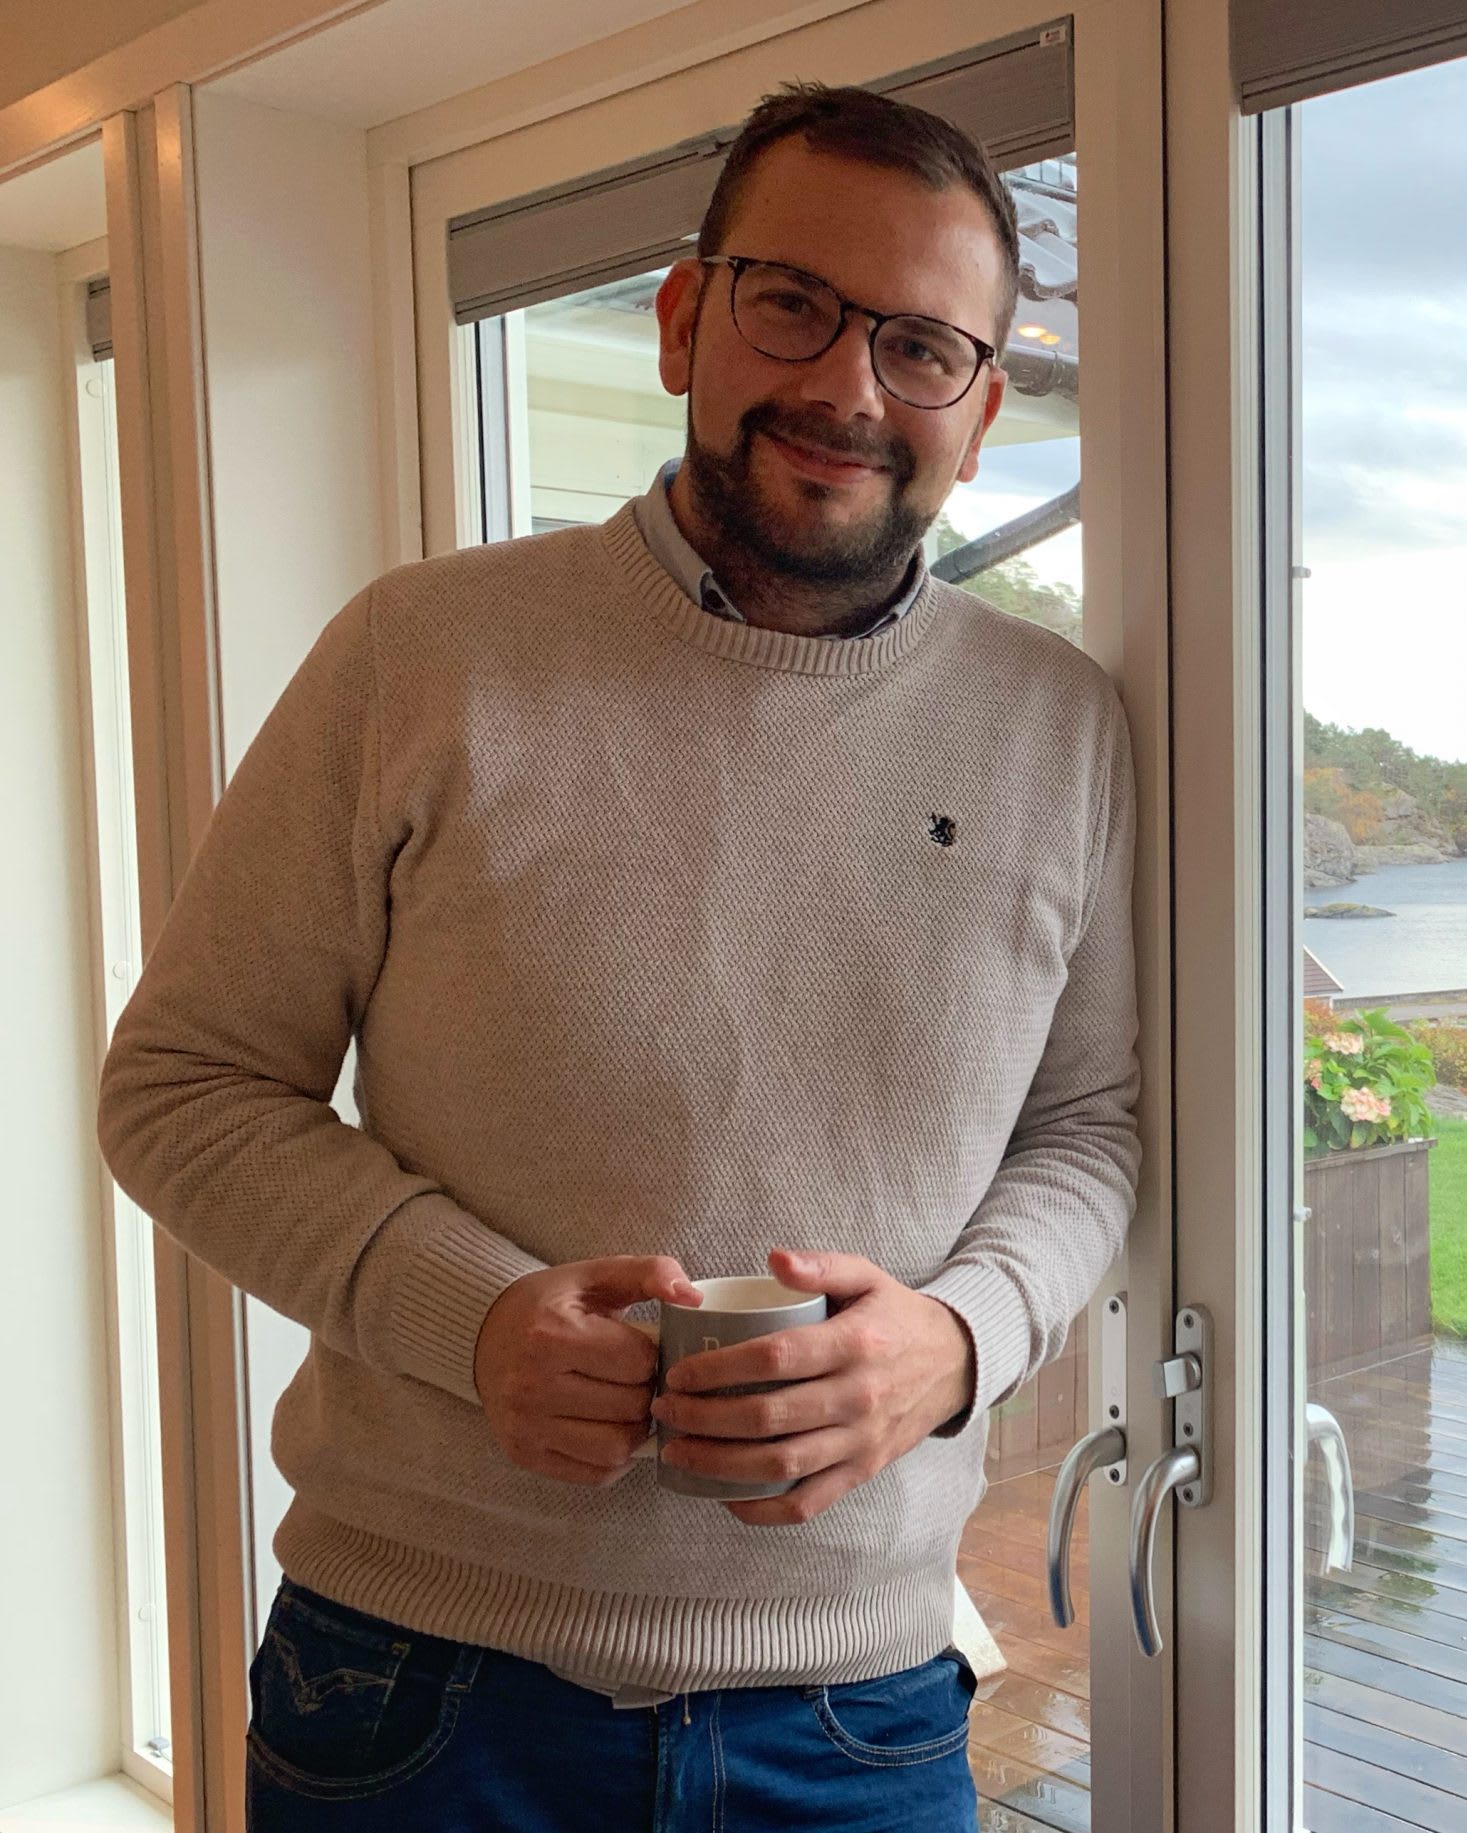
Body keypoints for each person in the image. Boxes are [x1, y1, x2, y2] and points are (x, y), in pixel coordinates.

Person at [94, 83, 1137, 1833]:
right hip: (415, 1694)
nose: (848, 386)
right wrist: (470, 1314)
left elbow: (1089, 1128)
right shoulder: (418, 655)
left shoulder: (1064, 725)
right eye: (792, 303)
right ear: (681, 321)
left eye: (920, 347)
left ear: (978, 415)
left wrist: (960, 1341)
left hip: (859, 1712)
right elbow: (182, 1087)